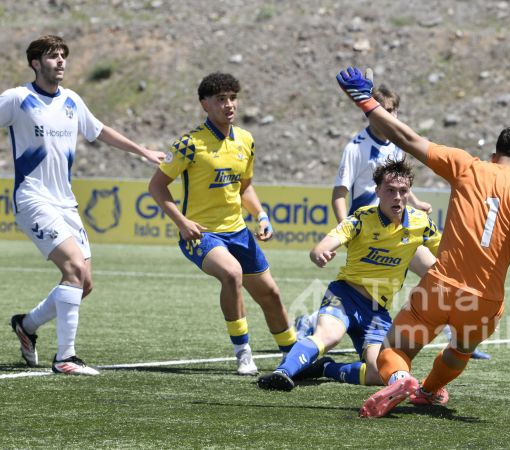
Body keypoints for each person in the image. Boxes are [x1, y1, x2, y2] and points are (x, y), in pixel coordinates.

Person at [336, 67, 510, 418]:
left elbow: (406, 138)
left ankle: (401, 378)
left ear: (495, 155)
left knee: (394, 349)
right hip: (484, 301)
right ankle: (429, 391)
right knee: (460, 349)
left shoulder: (467, 165)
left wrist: (365, 101)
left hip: (440, 287)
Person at [3, 35, 164, 375]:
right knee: (74, 268)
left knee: (83, 283)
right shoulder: (18, 98)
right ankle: (66, 358)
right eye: (52, 56)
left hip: (66, 203)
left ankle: (27, 326)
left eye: (63, 55)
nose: (61, 61)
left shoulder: (72, 100)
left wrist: (143, 151)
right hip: (33, 198)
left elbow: (101, 131)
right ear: (35, 63)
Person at [297, 84, 492, 359]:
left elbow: (399, 186)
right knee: (398, 283)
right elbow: (339, 194)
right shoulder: (356, 147)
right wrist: (345, 232)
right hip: (369, 233)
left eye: (393, 111)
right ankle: (313, 322)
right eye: (384, 111)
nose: (389, 116)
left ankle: (456, 337)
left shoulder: (397, 146)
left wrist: (416, 203)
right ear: (371, 113)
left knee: (438, 275)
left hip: (400, 230)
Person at [148, 72, 297, 376]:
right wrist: (182, 222)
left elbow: (244, 188)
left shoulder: (246, 140)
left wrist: (261, 215)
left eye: (232, 98)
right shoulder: (189, 144)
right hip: (201, 233)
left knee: (270, 294)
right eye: (220, 99)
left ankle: (294, 356)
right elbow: (157, 186)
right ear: (205, 104)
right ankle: (243, 353)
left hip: (238, 231)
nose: (229, 105)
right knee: (231, 273)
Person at [257, 158, 442, 391]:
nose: (397, 197)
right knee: (329, 336)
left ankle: (326, 368)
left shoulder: (421, 223)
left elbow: (446, 253)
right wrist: (319, 254)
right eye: (390, 190)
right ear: (377, 191)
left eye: (403, 191)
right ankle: (282, 373)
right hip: (345, 295)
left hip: (376, 310)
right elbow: (321, 247)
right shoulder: (361, 219)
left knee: (380, 372)